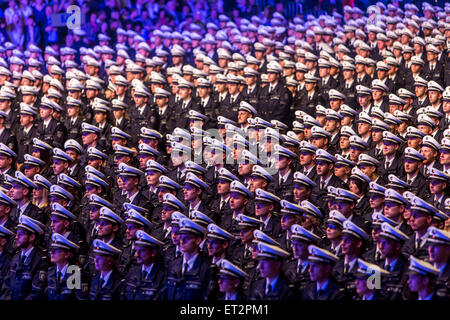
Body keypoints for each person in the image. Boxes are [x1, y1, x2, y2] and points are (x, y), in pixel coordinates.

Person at [164, 217, 216, 300]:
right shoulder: (173, 265)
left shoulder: (207, 269)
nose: (182, 241)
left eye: (187, 238)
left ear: (198, 240)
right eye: (181, 237)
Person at [1, 215, 47, 300]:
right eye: (17, 234)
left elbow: (36, 291)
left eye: (20, 234)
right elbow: (6, 284)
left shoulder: (40, 259)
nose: (16, 237)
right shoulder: (15, 257)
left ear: (32, 237)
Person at [124, 230, 166, 300]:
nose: (137, 254)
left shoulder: (162, 275)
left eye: (141, 251)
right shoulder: (132, 271)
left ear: (153, 252)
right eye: (137, 250)